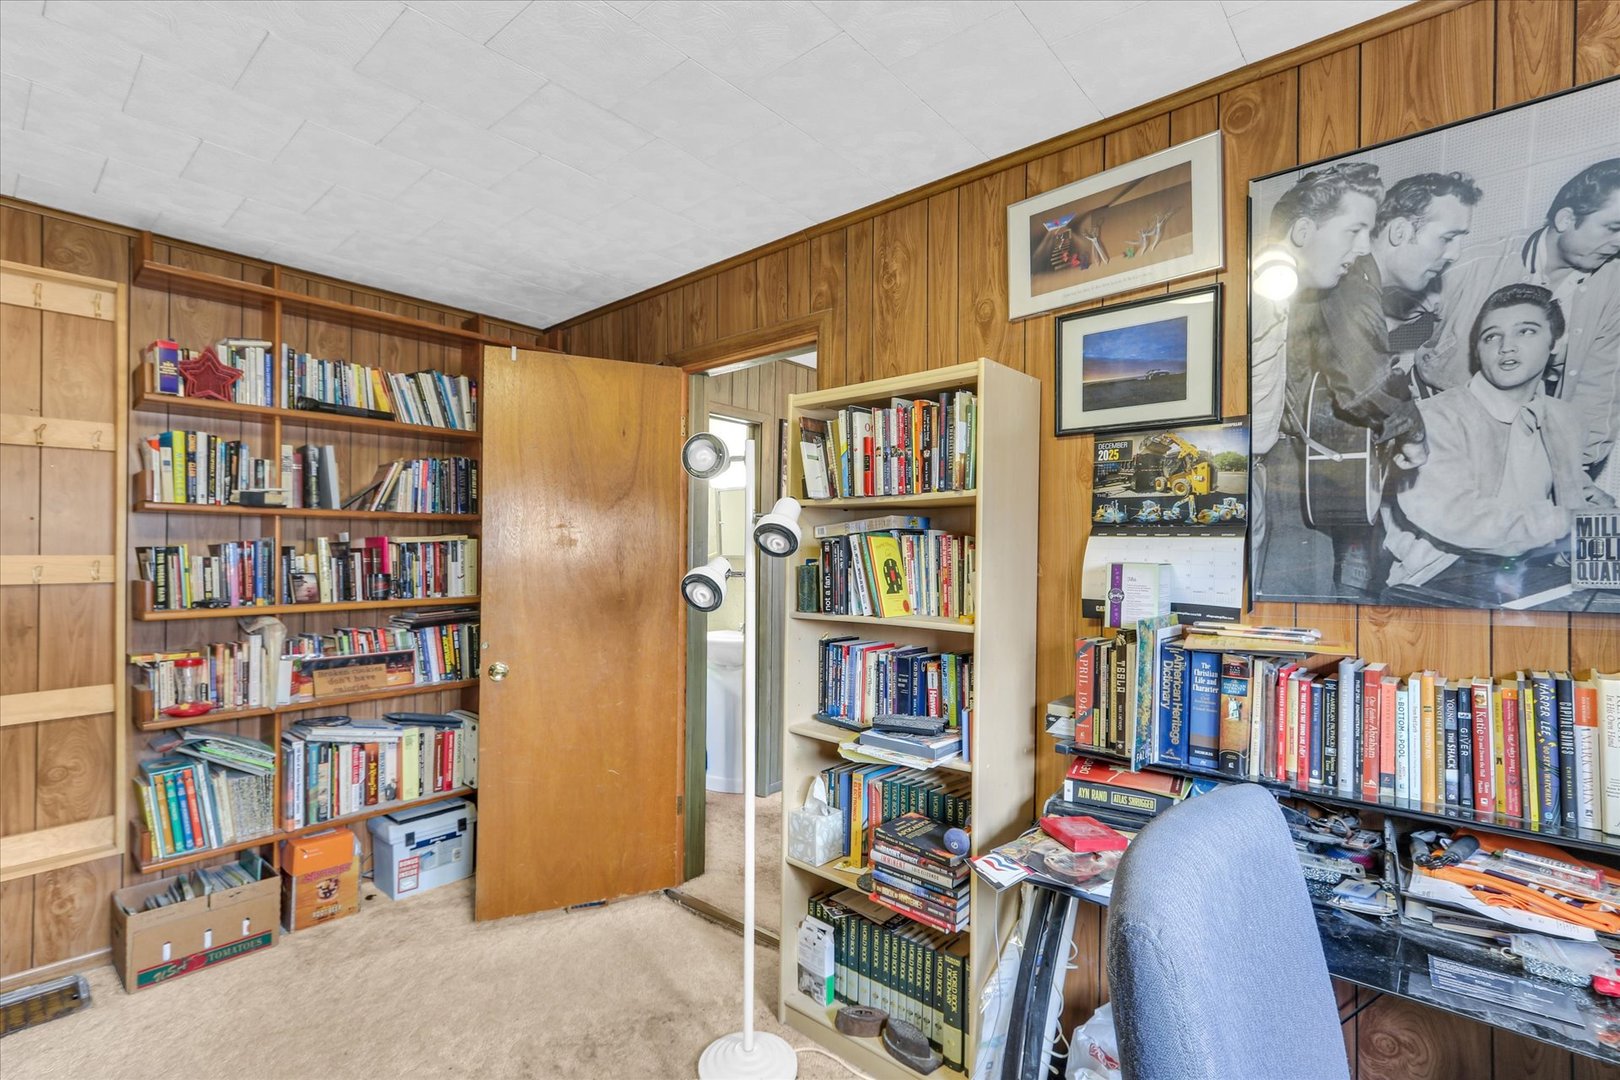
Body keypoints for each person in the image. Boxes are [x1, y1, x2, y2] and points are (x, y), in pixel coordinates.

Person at [1382, 284, 1613, 594]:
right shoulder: (1435, 417)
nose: (1506, 346)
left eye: (1526, 332)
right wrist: (1566, 521)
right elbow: (1457, 516)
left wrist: (1597, 506)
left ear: (1556, 343)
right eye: (1491, 336)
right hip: (1443, 577)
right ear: (1477, 349)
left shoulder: (1565, 418)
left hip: (1536, 569)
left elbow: (1566, 490)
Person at [1426, 159, 1620, 493]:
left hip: (1530, 453)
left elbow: (1600, 390)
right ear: (1566, 219)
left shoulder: (1613, 286)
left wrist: (1574, 474)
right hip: (1441, 440)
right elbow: (1376, 307)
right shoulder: (1475, 264)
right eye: (1613, 228)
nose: (1619, 242)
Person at [1249, 161, 1382, 596]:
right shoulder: (1261, 287)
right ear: (1304, 231)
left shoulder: (1283, 294)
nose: (1362, 248)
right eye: (1354, 230)